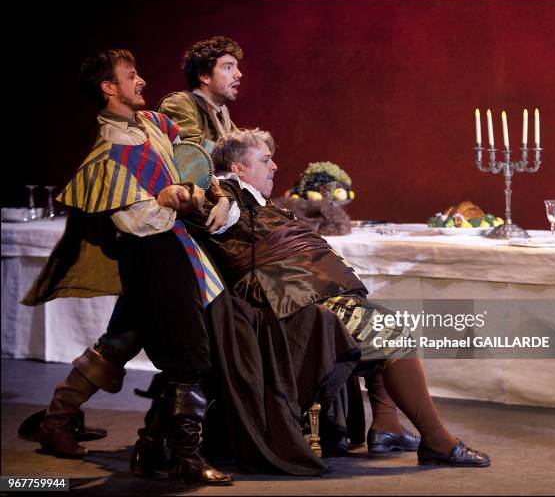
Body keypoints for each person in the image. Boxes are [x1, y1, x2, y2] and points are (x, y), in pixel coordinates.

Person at [22, 50, 361, 482]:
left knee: (131, 339)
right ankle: (146, 444)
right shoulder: (110, 154)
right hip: (151, 260)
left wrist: (211, 194)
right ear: (109, 88)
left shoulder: (155, 126)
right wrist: (169, 200)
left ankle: (124, 438)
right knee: (170, 348)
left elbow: (198, 167)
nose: (141, 80)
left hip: (183, 254)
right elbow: (135, 219)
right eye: (131, 76)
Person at [161, 36, 418, 455]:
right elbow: (193, 162)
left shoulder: (224, 118)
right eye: (228, 66)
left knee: (374, 315)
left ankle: (387, 424)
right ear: (204, 74)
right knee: (128, 338)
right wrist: (216, 187)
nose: (238, 73)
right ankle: (67, 414)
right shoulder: (183, 108)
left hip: (267, 260)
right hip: (255, 289)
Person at [185, 129, 492, 467]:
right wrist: (225, 190)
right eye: (265, 160)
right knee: (390, 331)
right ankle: (438, 441)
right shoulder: (229, 197)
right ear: (239, 170)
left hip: (307, 295)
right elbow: (211, 194)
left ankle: (387, 427)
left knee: (381, 317)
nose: (274, 167)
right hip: (290, 307)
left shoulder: (259, 204)